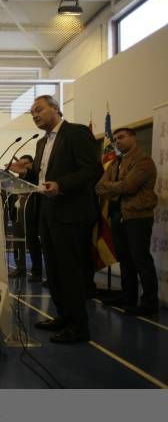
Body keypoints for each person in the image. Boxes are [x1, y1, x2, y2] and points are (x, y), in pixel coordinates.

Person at [9, 95, 102, 344]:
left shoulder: (76, 133)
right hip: (48, 214)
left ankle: (79, 327)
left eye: (39, 110)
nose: (35, 115)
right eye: (32, 113)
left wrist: (61, 185)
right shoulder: (41, 144)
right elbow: (42, 179)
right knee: (54, 271)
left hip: (71, 214)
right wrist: (26, 172)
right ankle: (63, 316)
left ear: (55, 108)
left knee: (70, 271)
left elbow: (92, 169)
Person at [95, 127, 159, 316]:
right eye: (114, 139)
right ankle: (128, 297)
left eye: (121, 137)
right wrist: (117, 187)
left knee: (141, 260)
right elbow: (99, 187)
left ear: (133, 137)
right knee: (125, 260)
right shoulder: (115, 162)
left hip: (137, 216)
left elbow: (130, 186)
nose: (117, 142)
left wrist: (112, 187)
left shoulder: (144, 161)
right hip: (118, 215)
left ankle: (149, 304)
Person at [16, 155, 43, 282]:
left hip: (34, 213)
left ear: (32, 163)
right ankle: (20, 268)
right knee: (20, 242)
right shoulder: (18, 179)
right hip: (18, 214)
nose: (23, 167)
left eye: (26, 163)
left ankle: (37, 271)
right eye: (21, 164)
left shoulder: (35, 176)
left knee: (34, 243)